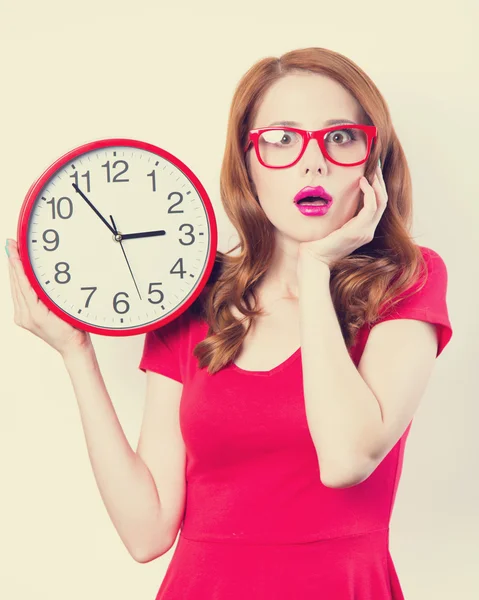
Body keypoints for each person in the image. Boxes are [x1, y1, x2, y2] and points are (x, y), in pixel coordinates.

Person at [6, 47, 453, 599]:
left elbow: (346, 459)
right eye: (281, 139)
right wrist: (77, 353)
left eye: (340, 137)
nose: (313, 162)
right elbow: (146, 533)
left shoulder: (406, 281)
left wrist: (316, 272)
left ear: (372, 161)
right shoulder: (196, 298)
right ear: (246, 164)